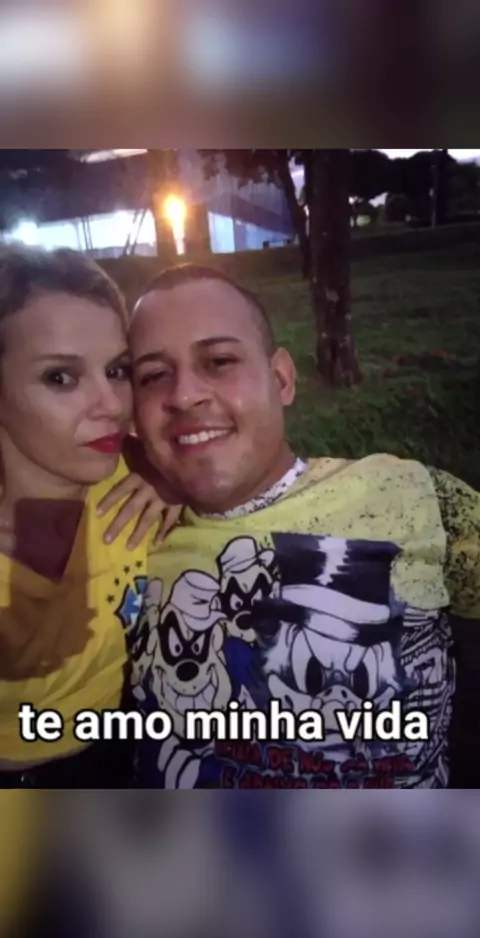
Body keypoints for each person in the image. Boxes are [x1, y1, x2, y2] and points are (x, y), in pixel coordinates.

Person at [128, 263, 480, 789]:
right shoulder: (122, 534)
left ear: (282, 379)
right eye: (154, 376)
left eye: (219, 361)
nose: (183, 395)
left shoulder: (409, 493)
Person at [0, 244, 180, 794]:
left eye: (117, 370)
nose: (111, 405)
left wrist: (169, 479)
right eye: (60, 377)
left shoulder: (133, 478)